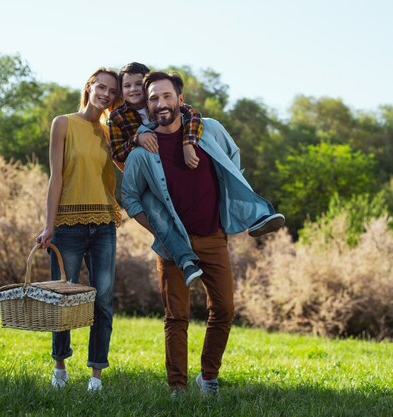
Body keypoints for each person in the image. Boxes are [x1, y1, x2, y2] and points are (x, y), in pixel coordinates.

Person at [120, 71, 282, 395]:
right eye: (153, 98)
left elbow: (232, 158)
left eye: (167, 96)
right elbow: (129, 197)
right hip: (172, 247)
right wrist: (160, 232)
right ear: (148, 106)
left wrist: (228, 201)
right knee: (176, 316)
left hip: (213, 236)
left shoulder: (209, 130)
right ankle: (177, 387)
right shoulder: (141, 153)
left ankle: (208, 377)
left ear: (180, 100)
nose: (161, 103)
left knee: (224, 309)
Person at [112, 63, 284, 287]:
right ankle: (185, 260)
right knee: (153, 208)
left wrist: (188, 143)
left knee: (228, 172)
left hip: (210, 230)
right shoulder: (118, 117)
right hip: (146, 180)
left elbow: (193, 115)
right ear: (121, 90)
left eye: (139, 84)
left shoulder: (169, 107)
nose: (134, 89)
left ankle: (255, 216)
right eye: (127, 86)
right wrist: (137, 138)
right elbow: (117, 153)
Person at [35, 67, 121, 392]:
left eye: (112, 91)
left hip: (103, 225)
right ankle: (60, 367)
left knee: (103, 301)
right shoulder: (63, 123)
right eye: (102, 87)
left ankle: (96, 377)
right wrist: (48, 225)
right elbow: (55, 177)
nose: (106, 94)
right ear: (89, 86)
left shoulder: (108, 132)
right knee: (62, 298)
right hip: (67, 226)